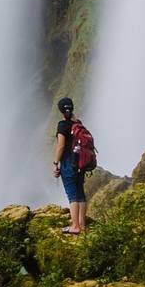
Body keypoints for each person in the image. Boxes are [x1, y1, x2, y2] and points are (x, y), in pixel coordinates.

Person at [52, 96, 86, 234]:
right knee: (81, 194)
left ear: (60, 110)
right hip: (81, 162)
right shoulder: (78, 123)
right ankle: (82, 226)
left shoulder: (62, 125)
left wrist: (55, 163)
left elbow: (61, 146)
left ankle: (75, 226)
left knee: (72, 195)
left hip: (68, 163)